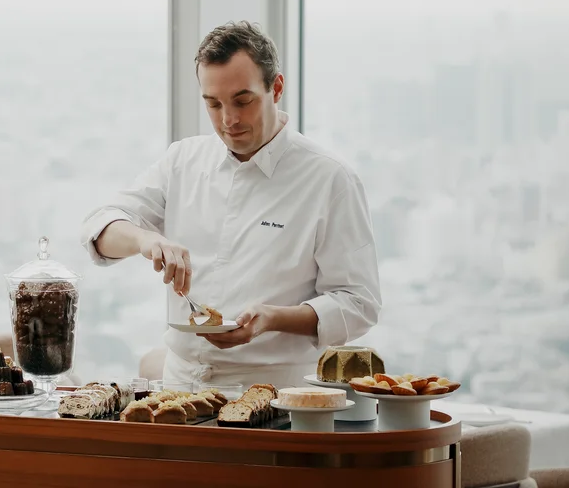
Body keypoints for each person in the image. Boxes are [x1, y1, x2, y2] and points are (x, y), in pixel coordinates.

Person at [80, 21, 381, 390]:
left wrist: (273, 319)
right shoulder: (183, 160)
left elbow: (359, 303)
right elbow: (99, 228)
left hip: (276, 394)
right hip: (179, 388)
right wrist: (146, 239)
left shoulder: (330, 179)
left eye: (243, 100)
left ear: (276, 88)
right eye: (213, 103)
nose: (228, 120)